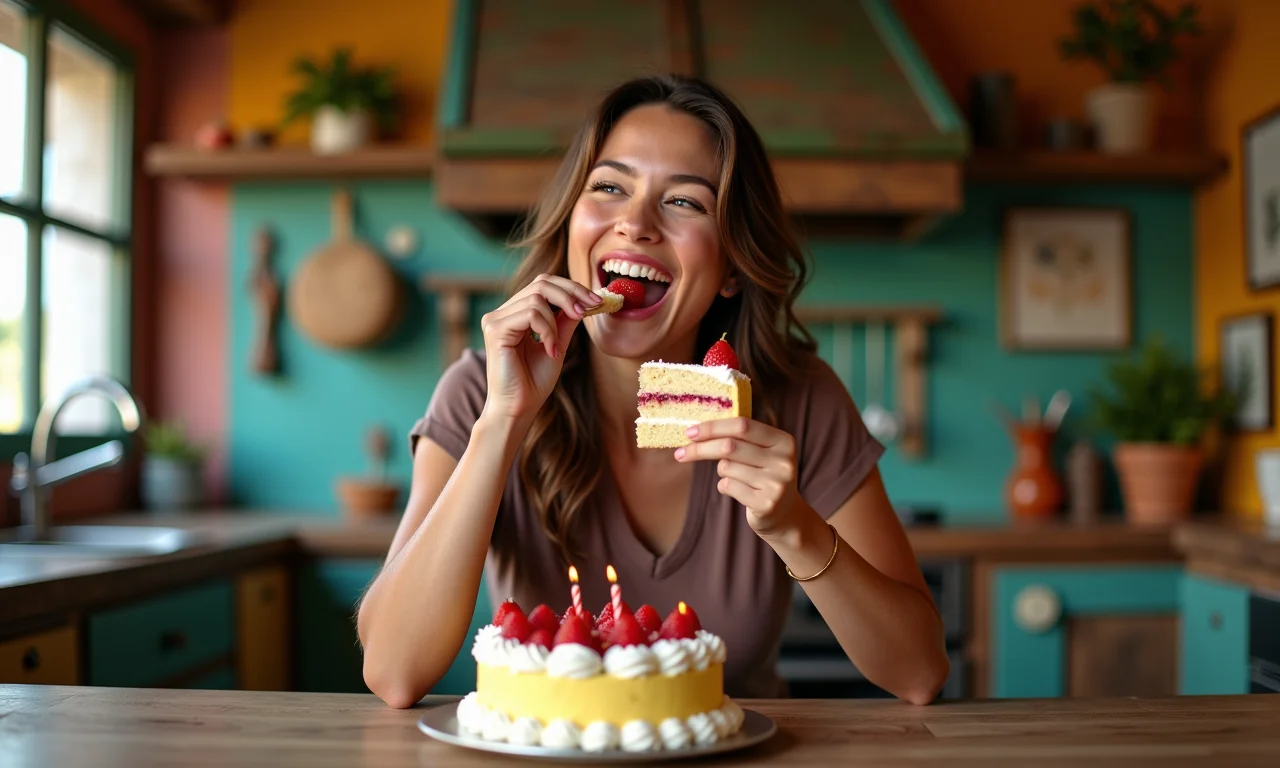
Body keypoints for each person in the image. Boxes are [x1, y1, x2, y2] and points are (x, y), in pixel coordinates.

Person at [356, 74, 949, 709]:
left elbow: (917, 673)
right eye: (609, 187)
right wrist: (502, 422)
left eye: (685, 202)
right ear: (570, 230)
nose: (635, 223)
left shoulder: (798, 399)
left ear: (730, 269)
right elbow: (394, 672)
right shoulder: (480, 390)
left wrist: (796, 529)